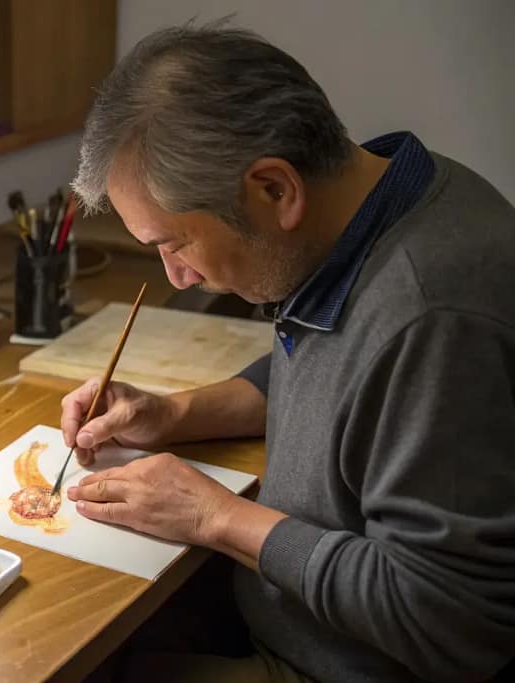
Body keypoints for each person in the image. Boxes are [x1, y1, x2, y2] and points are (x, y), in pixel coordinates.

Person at [62, 21, 515, 683]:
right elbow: (342, 377)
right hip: (290, 612)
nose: (175, 276)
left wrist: (215, 516)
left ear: (275, 189)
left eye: (174, 243)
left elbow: (449, 618)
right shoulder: (385, 203)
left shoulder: (433, 315)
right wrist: (175, 414)